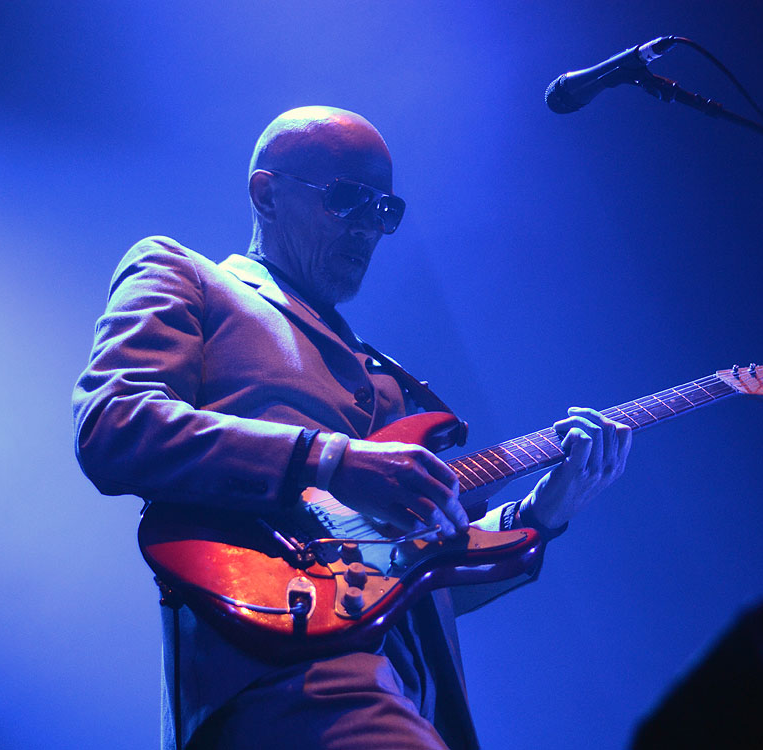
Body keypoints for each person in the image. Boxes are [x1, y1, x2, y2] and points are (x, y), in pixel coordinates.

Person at [73, 106, 632, 749]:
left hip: (407, 700)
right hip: (276, 682)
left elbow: (413, 575)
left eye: (384, 210)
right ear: (266, 194)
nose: (368, 226)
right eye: (347, 199)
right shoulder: (188, 277)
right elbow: (114, 422)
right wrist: (332, 461)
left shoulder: (385, 381)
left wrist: (540, 513)